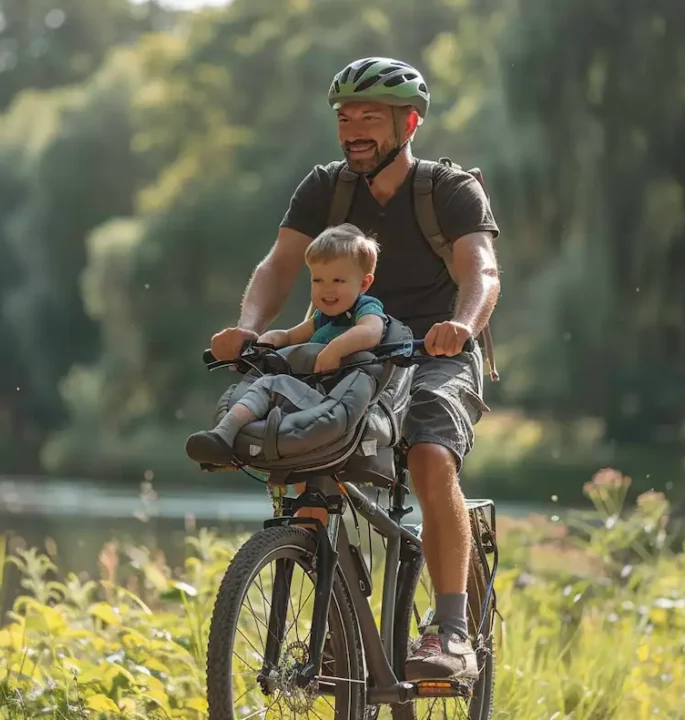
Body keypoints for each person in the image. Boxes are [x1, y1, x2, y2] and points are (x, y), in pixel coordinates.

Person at [208, 56, 501, 682]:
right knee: (303, 448)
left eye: (370, 116)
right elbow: (277, 267)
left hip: (432, 353)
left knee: (428, 455)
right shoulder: (325, 188)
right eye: (345, 117)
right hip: (349, 355)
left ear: (410, 122)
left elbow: (482, 272)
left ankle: (451, 633)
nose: (354, 128)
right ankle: (337, 618)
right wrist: (251, 329)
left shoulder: (447, 190)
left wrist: (463, 326)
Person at [186, 223, 387, 465]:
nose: (327, 289)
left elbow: (372, 331)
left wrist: (336, 349)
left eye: (338, 280)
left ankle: (223, 437)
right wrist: (272, 338)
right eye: (318, 280)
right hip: (310, 396)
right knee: (266, 386)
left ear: (364, 284)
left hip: (338, 400)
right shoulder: (322, 317)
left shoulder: (364, 308)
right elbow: (292, 336)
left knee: (269, 385)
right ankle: (224, 446)